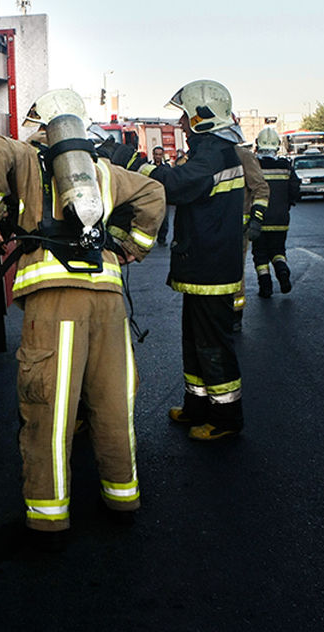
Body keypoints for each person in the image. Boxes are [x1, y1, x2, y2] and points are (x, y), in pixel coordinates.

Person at [0, 89, 164, 548]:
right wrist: (130, 245)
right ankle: (123, 497)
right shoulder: (101, 170)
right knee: (113, 405)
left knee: (50, 412)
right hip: (109, 301)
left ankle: (48, 518)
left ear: (40, 123)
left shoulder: (26, 154)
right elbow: (155, 193)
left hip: (55, 300)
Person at [117, 80, 249, 441]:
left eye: (185, 116)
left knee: (212, 344)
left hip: (210, 269)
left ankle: (226, 418)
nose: (182, 123)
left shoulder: (214, 155)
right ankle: (197, 407)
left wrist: (132, 162)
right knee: (194, 341)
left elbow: (171, 186)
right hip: (205, 266)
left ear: (202, 117)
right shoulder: (216, 151)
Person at [230, 115, 270, 330]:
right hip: (213, 226)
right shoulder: (206, 155)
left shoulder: (243, 155)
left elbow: (261, 188)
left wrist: (256, 218)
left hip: (238, 227)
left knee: (235, 270)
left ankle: (236, 314)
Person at [252, 128, 300, 298]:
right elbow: (295, 189)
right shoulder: (285, 166)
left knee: (260, 255)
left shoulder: (254, 166)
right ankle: (283, 271)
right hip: (281, 219)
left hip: (258, 220)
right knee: (278, 250)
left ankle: (265, 287)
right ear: (277, 146)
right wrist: (288, 204)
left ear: (258, 145)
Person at [151, 146, 172, 245]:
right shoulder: (148, 167)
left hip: (164, 196)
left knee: (164, 219)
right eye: (156, 154)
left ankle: (162, 239)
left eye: (160, 154)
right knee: (151, 218)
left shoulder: (167, 167)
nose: (158, 156)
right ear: (153, 155)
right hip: (152, 196)